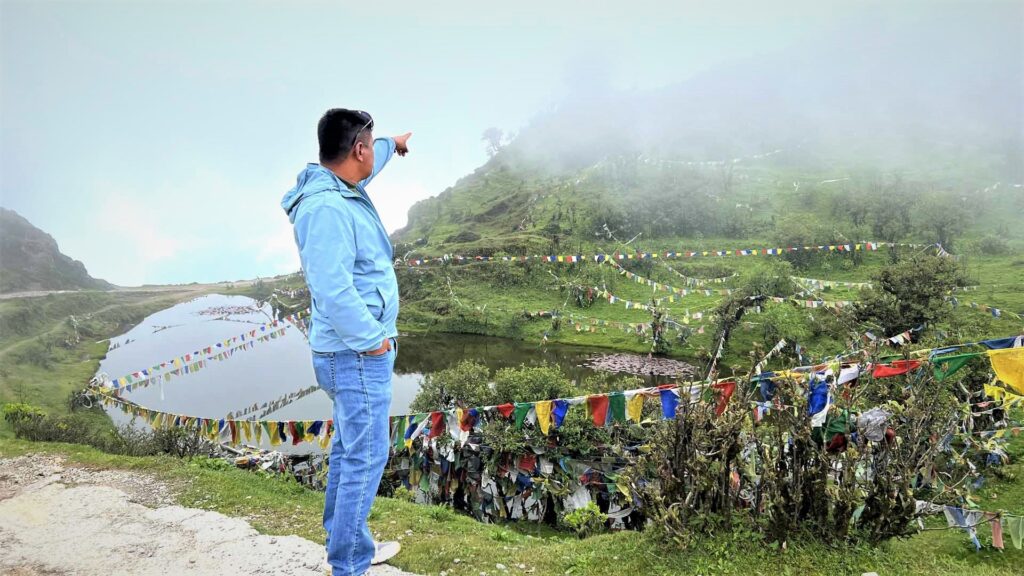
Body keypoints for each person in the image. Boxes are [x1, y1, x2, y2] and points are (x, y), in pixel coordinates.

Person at [281, 108, 411, 576]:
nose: (373, 154)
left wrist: (392, 143)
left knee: (349, 450)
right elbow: (332, 289)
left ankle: (349, 543)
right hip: (355, 352)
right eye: (370, 146)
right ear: (357, 150)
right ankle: (349, 563)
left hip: (347, 350)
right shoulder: (327, 208)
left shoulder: (341, 184)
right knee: (367, 454)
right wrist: (374, 341)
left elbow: (374, 157)